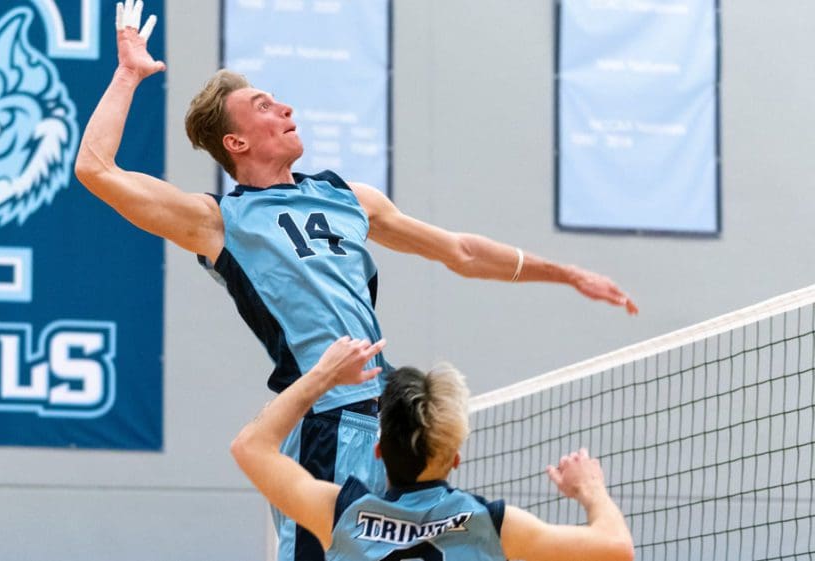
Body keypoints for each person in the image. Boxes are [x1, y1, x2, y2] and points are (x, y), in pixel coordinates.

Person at [75, 2, 638, 559]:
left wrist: (563, 273)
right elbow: (95, 169)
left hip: (389, 418)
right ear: (236, 143)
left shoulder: (348, 198)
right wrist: (128, 73)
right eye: (264, 106)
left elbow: (460, 251)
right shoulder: (220, 221)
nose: (286, 107)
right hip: (324, 414)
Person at [231, 336, 635, 561]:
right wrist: (590, 488)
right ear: (455, 458)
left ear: (378, 451)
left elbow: (251, 446)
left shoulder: (341, 514)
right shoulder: (490, 526)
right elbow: (617, 549)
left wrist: (323, 375)